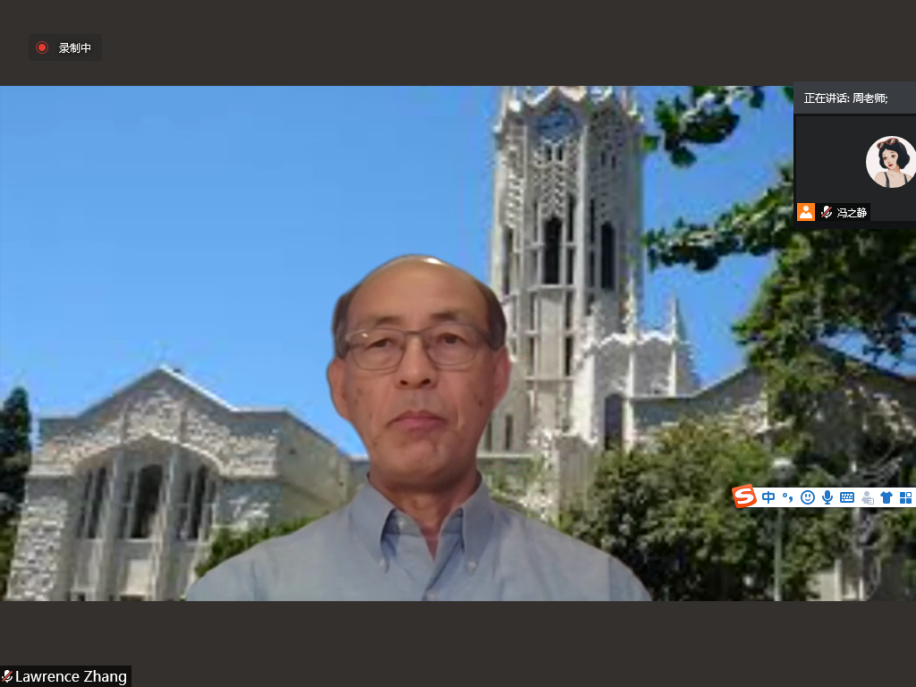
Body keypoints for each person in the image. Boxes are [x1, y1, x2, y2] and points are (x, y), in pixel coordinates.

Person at [186, 255, 650, 601]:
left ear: (497, 377)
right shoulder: (247, 589)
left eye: (450, 342)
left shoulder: (602, 587)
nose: (415, 373)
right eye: (381, 346)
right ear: (342, 388)